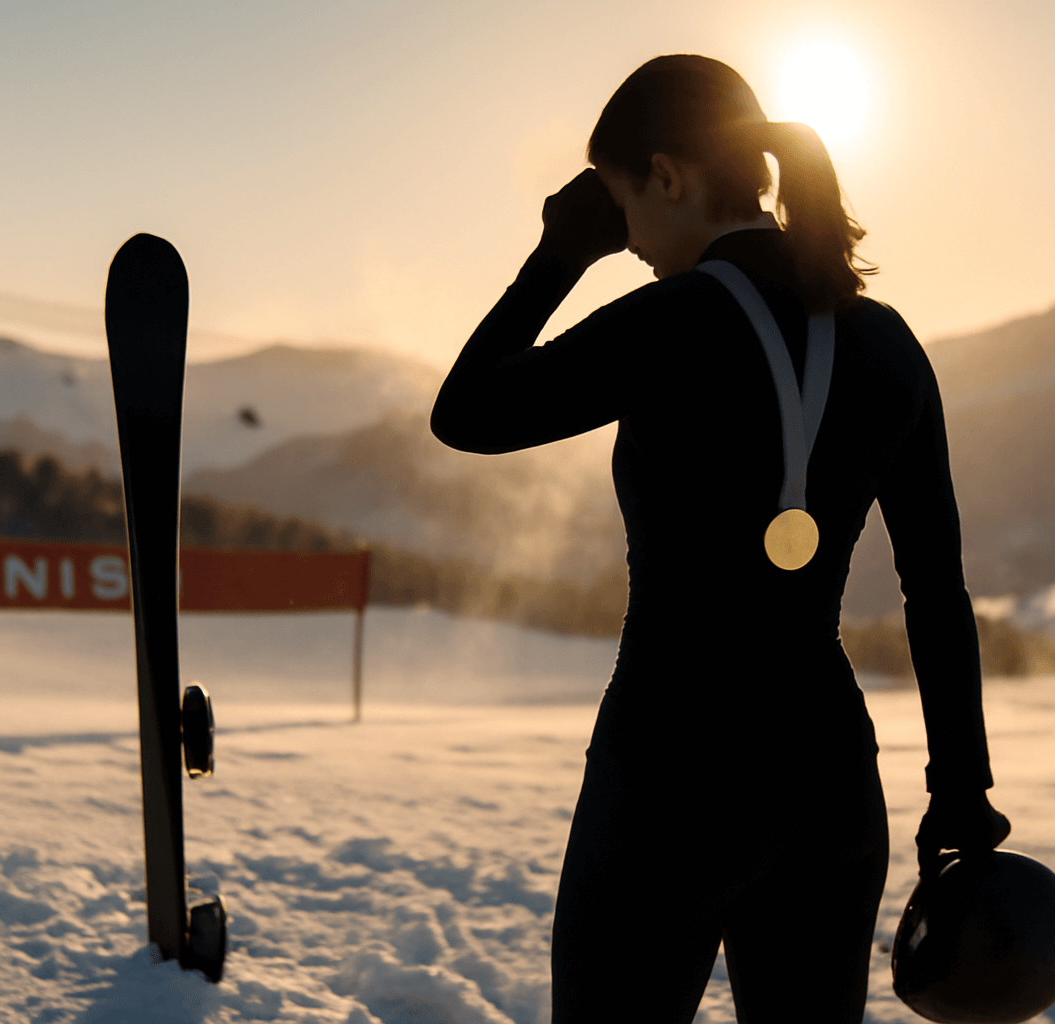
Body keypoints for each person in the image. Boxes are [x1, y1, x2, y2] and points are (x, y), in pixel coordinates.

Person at [430, 54, 1011, 1024]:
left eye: (625, 207)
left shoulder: (675, 320)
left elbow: (469, 411)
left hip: (669, 768)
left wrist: (562, 252)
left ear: (667, 177)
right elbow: (936, 591)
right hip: (826, 782)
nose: (636, 243)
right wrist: (960, 792)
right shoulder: (887, 343)